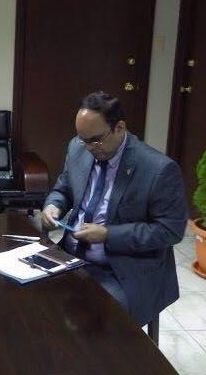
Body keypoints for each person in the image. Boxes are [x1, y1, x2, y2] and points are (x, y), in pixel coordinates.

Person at [41, 91, 186, 326]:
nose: (88, 147)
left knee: (96, 319)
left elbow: (170, 231)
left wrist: (109, 235)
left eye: (95, 140)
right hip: (70, 256)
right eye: (82, 139)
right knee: (30, 297)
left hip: (121, 270)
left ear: (119, 128)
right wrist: (52, 206)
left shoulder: (158, 170)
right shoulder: (78, 148)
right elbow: (63, 189)